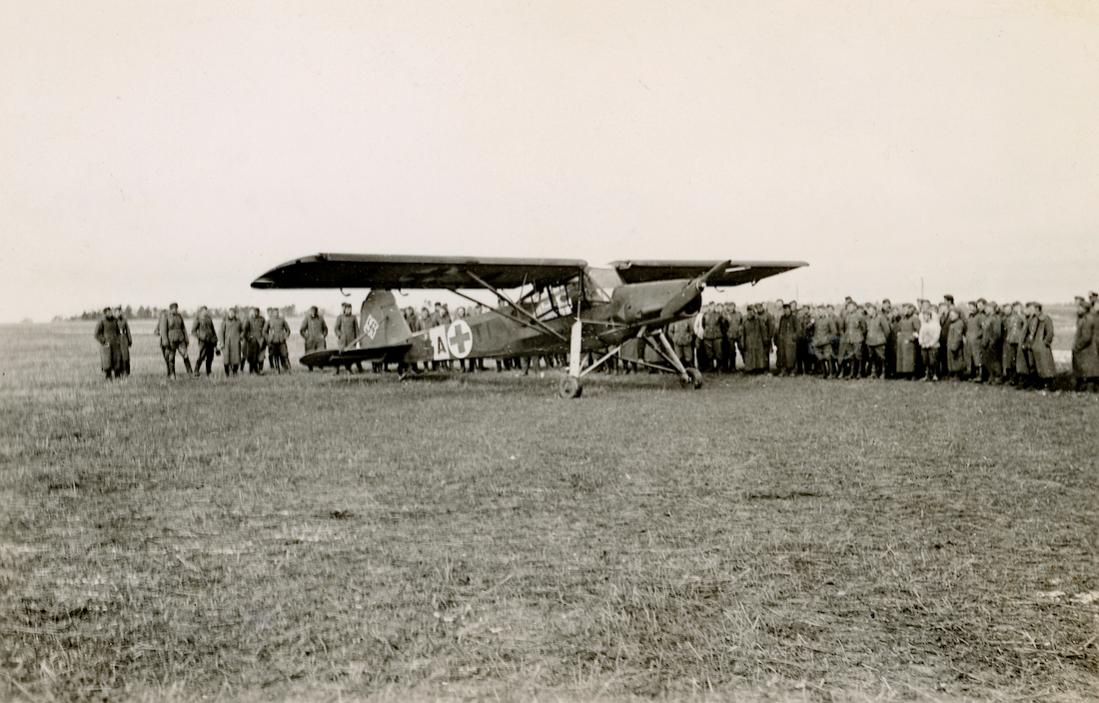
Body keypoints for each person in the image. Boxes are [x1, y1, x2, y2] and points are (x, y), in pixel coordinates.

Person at [1072, 296, 1099, 391]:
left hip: (1087, 350)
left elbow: (1086, 337)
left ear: (1085, 309)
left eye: (1080, 308)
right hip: (1087, 349)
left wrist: (1077, 346)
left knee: (1089, 372)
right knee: (1088, 372)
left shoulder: (1087, 320)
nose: (1077, 309)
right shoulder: (1085, 318)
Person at [1031, 302, 1056, 390]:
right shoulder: (1034, 319)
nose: (1032, 311)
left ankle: (1048, 385)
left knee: (1046, 367)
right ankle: (1042, 385)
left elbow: (1050, 333)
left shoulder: (1046, 319)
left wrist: (1045, 343)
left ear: (1038, 309)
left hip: (1043, 348)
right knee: (1040, 367)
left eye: (1033, 308)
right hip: (1036, 347)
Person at [93, 307, 123, 380]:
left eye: (111, 312)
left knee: (117, 361)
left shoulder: (115, 320)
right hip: (106, 346)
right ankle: (108, 378)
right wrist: (104, 341)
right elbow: (96, 334)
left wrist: (119, 340)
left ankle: (117, 377)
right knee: (107, 363)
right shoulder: (101, 321)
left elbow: (119, 332)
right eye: (108, 312)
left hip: (116, 345)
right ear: (105, 313)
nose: (110, 313)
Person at [164, 302, 192, 377]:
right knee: (171, 358)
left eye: (176, 308)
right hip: (171, 340)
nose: (176, 310)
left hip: (180, 339)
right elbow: (164, 330)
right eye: (174, 308)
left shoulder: (179, 316)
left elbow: (183, 328)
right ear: (170, 309)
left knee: (185, 355)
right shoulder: (167, 317)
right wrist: (165, 341)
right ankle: (172, 375)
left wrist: (186, 339)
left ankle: (190, 374)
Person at [864, 302, 891, 379]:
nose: (869, 312)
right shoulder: (868, 319)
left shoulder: (881, 318)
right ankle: (874, 373)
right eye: (868, 311)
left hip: (879, 342)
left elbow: (887, 330)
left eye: (871, 310)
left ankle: (883, 372)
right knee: (872, 358)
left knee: (882, 358)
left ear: (875, 310)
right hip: (870, 342)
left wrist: (883, 339)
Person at [334, 302, 362, 373]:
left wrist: (358, 339)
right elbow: (336, 328)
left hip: (352, 340)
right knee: (340, 355)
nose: (349, 310)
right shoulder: (340, 317)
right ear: (345, 309)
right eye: (347, 309)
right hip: (342, 341)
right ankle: (337, 370)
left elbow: (356, 329)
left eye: (350, 309)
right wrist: (339, 335)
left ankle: (349, 369)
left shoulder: (353, 317)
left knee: (350, 356)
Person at [811, 305, 838, 378]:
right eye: (818, 311)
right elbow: (811, 330)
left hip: (826, 342)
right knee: (820, 358)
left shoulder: (829, 320)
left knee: (828, 357)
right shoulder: (816, 321)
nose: (820, 313)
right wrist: (811, 323)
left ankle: (831, 373)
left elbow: (834, 332)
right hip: (818, 342)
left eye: (821, 311)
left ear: (824, 311)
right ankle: (824, 373)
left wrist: (827, 339)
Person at [980, 300, 1003, 383]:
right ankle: (991, 376)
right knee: (987, 361)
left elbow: (997, 333)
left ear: (992, 309)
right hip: (985, 343)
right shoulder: (987, 318)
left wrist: (992, 342)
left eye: (987, 308)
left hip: (992, 344)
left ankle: (998, 377)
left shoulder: (995, 318)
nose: (985, 309)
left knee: (995, 361)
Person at [1002, 301, 1025, 385]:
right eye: (1014, 307)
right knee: (1011, 360)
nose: (1016, 309)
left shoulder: (1022, 316)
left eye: (1017, 307)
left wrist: (1020, 314)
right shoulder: (1009, 318)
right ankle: (1013, 379)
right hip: (1011, 340)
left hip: (1019, 341)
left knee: (1019, 361)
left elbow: (1025, 324)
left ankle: (1020, 379)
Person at [191, 306, 219, 376]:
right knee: (201, 356)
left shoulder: (209, 319)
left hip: (210, 341)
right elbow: (193, 331)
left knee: (210, 357)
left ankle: (208, 372)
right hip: (203, 342)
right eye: (204, 310)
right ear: (201, 311)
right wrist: (201, 337)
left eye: (206, 310)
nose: (205, 312)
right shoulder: (198, 319)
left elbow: (213, 330)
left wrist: (215, 339)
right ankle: (196, 371)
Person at [894, 304, 919, 379]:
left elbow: (917, 331)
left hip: (910, 343)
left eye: (906, 309)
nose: (905, 311)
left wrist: (911, 339)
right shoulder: (902, 319)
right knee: (903, 358)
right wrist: (899, 336)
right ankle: (905, 374)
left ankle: (912, 375)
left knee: (910, 359)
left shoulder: (914, 319)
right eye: (903, 309)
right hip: (902, 342)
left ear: (910, 310)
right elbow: (899, 329)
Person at [300, 305, 328, 370]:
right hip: (310, 340)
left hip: (319, 340)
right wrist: (306, 336)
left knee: (321, 354)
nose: (313, 313)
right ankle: (310, 367)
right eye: (311, 311)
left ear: (316, 311)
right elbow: (302, 330)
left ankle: (321, 367)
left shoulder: (321, 318)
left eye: (314, 311)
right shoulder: (307, 318)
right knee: (309, 354)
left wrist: (323, 336)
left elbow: (325, 329)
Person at [264, 308, 292, 373]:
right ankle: (277, 369)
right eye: (275, 312)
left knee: (285, 354)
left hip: (281, 340)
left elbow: (288, 330)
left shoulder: (282, 320)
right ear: (273, 313)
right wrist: (268, 338)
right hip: (273, 341)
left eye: (277, 312)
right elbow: (264, 331)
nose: (276, 314)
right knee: (275, 355)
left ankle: (288, 368)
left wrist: (285, 336)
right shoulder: (269, 321)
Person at [775, 303, 799, 375]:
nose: (786, 311)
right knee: (782, 356)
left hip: (791, 341)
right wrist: (779, 337)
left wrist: (793, 337)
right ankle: (783, 370)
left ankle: (793, 370)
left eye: (787, 309)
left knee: (791, 356)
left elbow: (798, 330)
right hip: (782, 341)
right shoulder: (782, 318)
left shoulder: (794, 318)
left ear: (790, 310)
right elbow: (779, 329)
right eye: (784, 309)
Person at [917, 309, 940, 381]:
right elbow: (920, 334)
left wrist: (931, 343)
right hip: (924, 345)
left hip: (933, 346)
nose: (925, 317)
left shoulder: (935, 324)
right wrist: (921, 342)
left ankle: (934, 375)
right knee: (925, 361)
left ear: (930, 316)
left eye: (926, 316)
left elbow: (936, 336)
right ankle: (927, 375)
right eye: (924, 316)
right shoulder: (923, 325)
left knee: (933, 360)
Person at [219, 306, 244, 375]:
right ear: (228, 313)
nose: (231, 314)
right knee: (227, 359)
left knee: (236, 358)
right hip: (227, 343)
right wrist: (222, 342)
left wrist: (240, 337)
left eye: (233, 313)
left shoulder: (238, 321)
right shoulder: (224, 321)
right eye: (230, 312)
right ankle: (227, 373)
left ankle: (235, 372)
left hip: (236, 343)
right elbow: (221, 332)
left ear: (235, 313)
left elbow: (242, 331)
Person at [963, 301, 984, 381]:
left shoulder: (980, 317)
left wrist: (977, 336)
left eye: (972, 307)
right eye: (969, 307)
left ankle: (980, 375)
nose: (971, 309)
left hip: (977, 342)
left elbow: (983, 329)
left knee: (978, 358)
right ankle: (973, 375)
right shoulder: (969, 317)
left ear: (976, 308)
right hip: (969, 341)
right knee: (971, 358)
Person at [243, 307, 266, 374]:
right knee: (252, 356)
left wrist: (265, 338)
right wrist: (248, 338)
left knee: (261, 356)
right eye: (255, 312)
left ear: (259, 312)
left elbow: (265, 329)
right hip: (252, 341)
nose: (256, 313)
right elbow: (245, 330)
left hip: (261, 340)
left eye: (257, 312)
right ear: (253, 313)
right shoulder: (249, 320)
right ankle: (252, 370)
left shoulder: (262, 319)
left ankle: (260, 370)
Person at [946, 308, 966, 379]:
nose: (950, 316)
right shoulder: (953, 323)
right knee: (952, 361)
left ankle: (958, 375)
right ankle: (954, 374)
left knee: (957, 360)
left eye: (952, 315)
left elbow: (958, 336)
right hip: (951, 345)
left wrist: (955, 346)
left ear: (957, 315)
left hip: (955, 346)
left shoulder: (959, 323)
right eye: (950, 315)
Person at [114, 306, 132, 376]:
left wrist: (130, 340)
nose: (119, 313)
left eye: (120, 311)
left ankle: (126, 373)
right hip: (116, 342)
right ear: (115, 312)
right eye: (117, 311)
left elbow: (128, 331)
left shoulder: (124, 320)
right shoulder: (113, 321)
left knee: (125, 358)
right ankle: (117, 374)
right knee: (117, 358)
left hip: (124, 340)